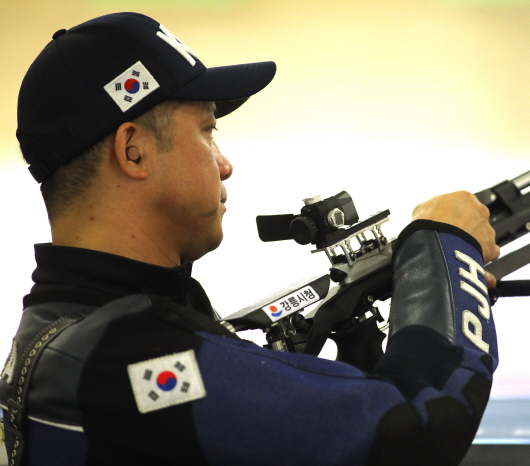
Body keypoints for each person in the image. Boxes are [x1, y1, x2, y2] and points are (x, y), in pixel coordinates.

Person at [0, 12, 500, 466]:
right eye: (207, 131)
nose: (225, 164)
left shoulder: (61, 327)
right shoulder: (133, 358)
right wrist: (444, 247)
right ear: (133, 152)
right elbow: (417, 426)